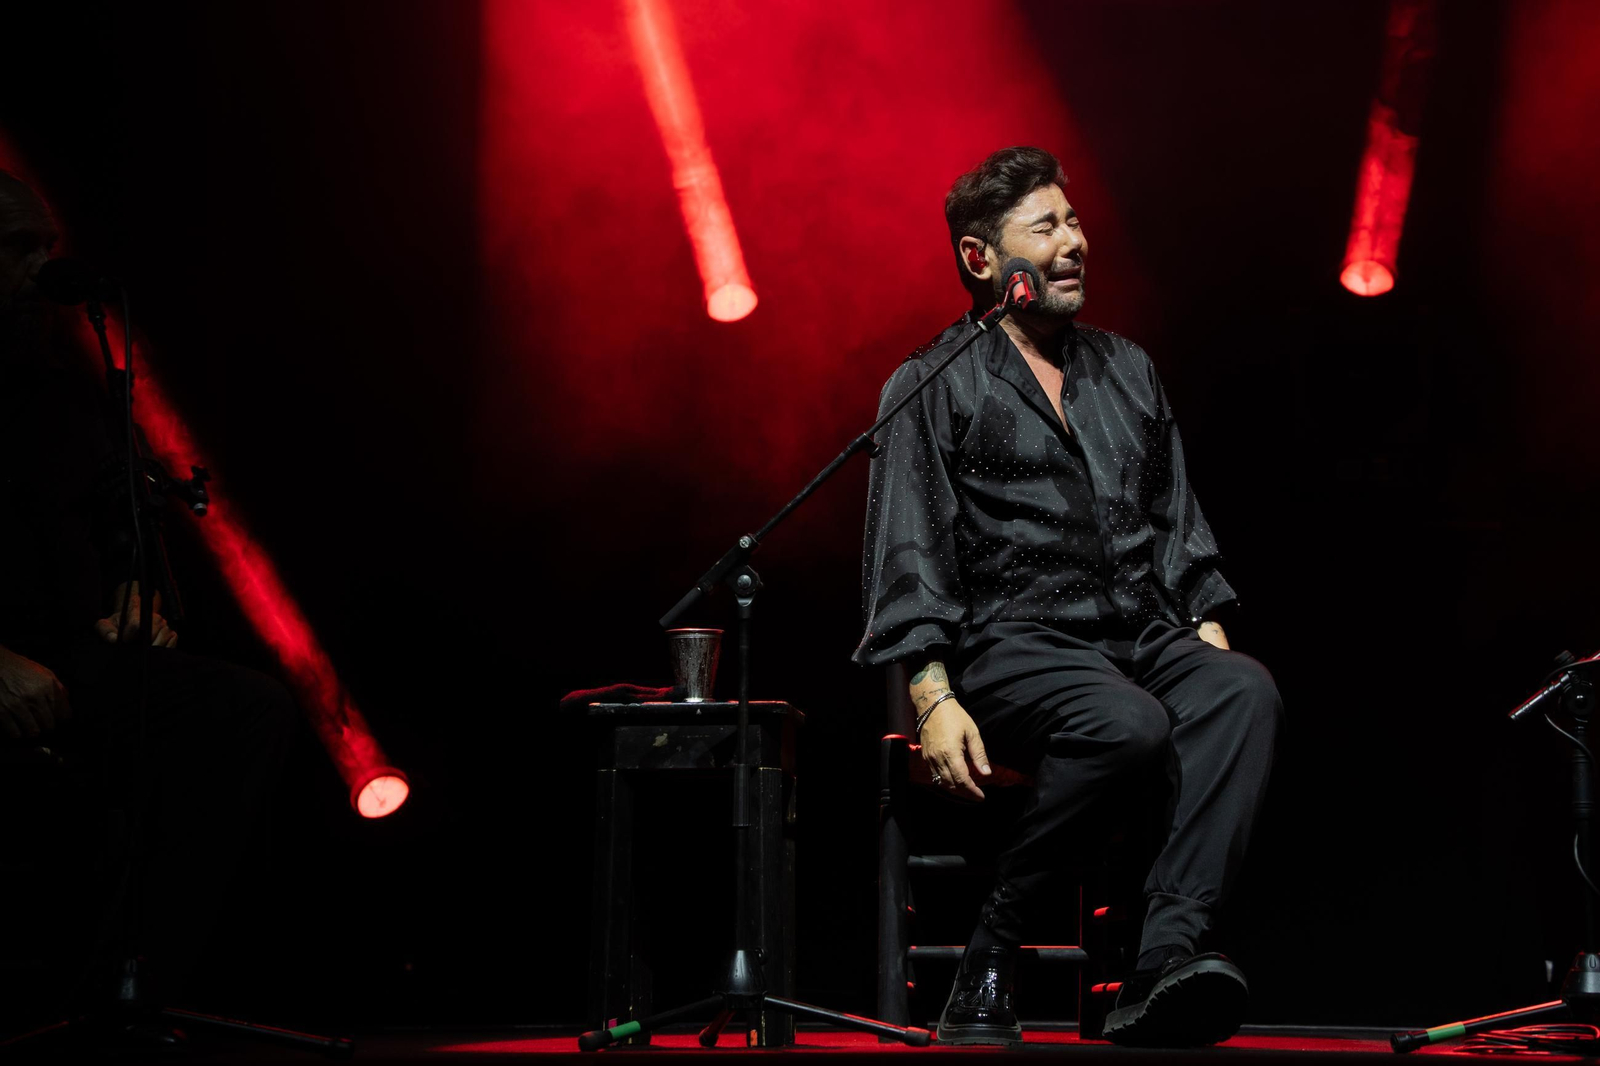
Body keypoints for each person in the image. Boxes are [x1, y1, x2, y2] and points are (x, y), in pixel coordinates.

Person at [854, 147, 1281, 1048]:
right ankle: (993, 948)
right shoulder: (932, 384)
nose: (1074, 242)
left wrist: (1202, 626)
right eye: (1044, 228)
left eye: (1074, 221)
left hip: (1136, 633)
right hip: (1014, 649)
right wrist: (930, 697)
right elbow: (909, 553)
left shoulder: (1128, 370)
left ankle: (1164, 961)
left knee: (1242, 690)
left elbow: (1178, 530)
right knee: (1128, 725)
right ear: (981, 260)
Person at [0, 168, 298, 1024]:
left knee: (242, 710)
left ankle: (123, 993)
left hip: (65, 660)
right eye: (17, 247)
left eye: (48, 247)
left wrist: (141, 591)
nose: (40, 269)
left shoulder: (59, 388)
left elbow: (122, 515)